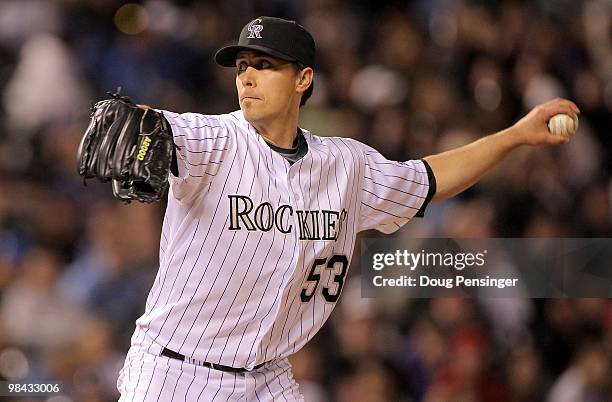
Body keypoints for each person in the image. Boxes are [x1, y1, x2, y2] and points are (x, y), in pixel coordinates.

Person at [116, 16, 579, 401]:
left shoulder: (345, 164)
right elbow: (157, 127)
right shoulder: (214, 139)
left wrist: (516, 135)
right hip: (176, 372)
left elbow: (429, 179)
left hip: (267, 377)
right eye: (241, 66)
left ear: (303, 78)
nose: (246, 77)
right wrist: (134, 122)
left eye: (264, 64)